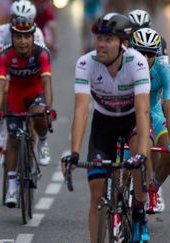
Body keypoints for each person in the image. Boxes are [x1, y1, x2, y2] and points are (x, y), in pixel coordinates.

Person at [61, 13, 152, 243]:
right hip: (103, 125)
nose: (101, 44)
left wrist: (140, 154)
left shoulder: (137, 62)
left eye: (109, 39)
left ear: (124, 44)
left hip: (132, 120)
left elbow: (142, 111)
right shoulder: (86, 63)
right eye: (99, 38)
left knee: (143, 156)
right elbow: (81, 110)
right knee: (96, 195)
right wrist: (74, 152)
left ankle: (140, 208)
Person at [0, 16, 55, 207]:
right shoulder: (5, 55)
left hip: (35, 91)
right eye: (18, 36)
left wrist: (48, 109)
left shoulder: (41, 53)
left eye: (26, 37)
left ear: (32, 37)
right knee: (12, 139)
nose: (22, 41)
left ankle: (42, 142)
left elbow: (46, 83)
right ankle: (12, 186)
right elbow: (1, 83)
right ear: (12, 37)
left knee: (39, 112)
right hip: (15, 95)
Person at [0, 0, 46, 153]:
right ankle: (0, 130)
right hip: (9, 68)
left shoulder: (37, 33)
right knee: (1, 87)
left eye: (25, 19)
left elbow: (42, 62)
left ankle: (34, 143)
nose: (19, 22)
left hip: (29, 71)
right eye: (15, 18)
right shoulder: (2, 31)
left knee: (36, 112)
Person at [131, 28, 170, 214]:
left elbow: (168, 104)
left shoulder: (163, 68)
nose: (145, 58)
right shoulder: (125, 63)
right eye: (140, 53)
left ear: (157, 54)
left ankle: (154, 187)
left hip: (154, 113)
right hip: (130, 113)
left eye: (150, 54)